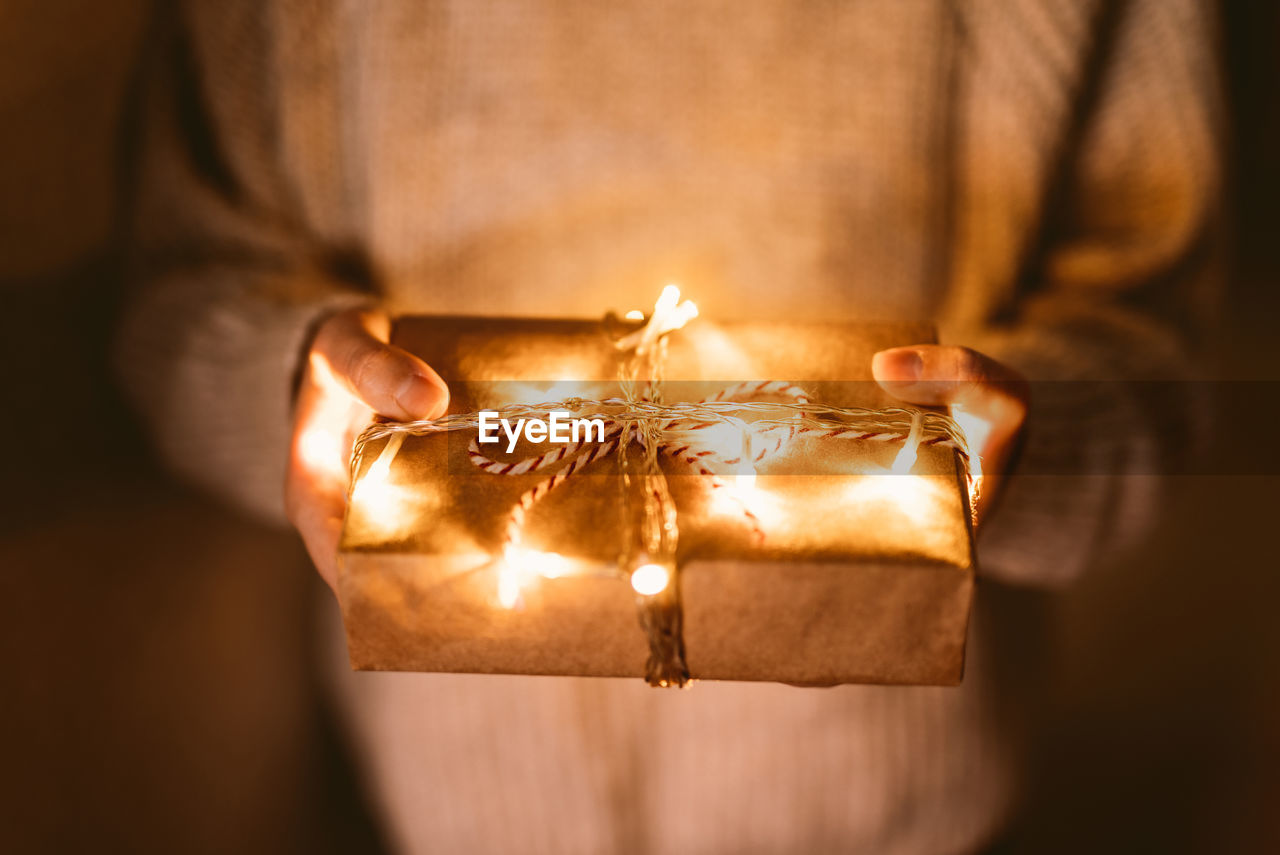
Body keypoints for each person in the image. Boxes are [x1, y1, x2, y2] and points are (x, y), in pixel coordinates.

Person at [117, 1, 1222, 852]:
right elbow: (175, 304)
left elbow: (1155, 346)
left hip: (911, 815)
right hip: (424, 811)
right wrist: (289, 396)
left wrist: (1020, 451)